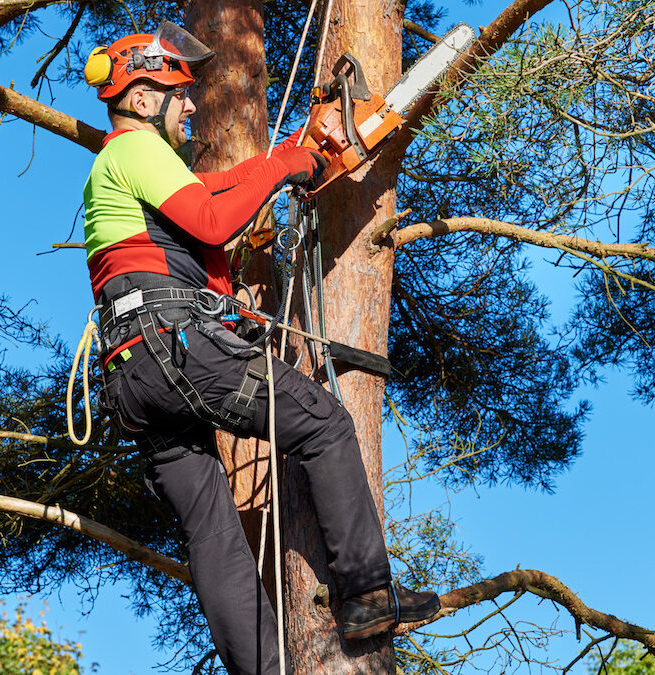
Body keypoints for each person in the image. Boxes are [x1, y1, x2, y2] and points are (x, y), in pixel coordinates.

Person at [80, 21, 440, 674]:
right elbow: (216, 219)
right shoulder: (133, 150)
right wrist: (281, 164)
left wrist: (283, 163)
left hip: (134, 373)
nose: (190, 104)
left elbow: (211, 202)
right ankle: (366, 595)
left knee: (213, 531)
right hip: (171, 347)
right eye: (177, 93)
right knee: (325, 424)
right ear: (139, 100)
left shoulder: (124, 170)